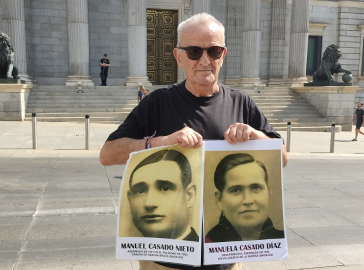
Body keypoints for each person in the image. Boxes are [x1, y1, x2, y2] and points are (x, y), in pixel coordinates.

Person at [100, 12, 288, 270]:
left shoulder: (241, 103)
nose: (204, 60)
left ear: (223, 54)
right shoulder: (157, 102)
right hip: (166, 262)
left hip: (225, 259)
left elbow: (283, 158)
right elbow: (108, 154)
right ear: (178, 56)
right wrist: (161, 142)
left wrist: (257, 137)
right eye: (194, 52)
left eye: (213, 51)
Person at [205, 153, 284, 243]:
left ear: (269, 192)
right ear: (219, 199)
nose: (248, 200)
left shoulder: (280, 242)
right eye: (236, 190)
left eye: (256, 188)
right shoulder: (207, 245)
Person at [127, 149, 198, 241]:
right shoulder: (129, 254)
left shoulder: (205, 253)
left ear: (189, 196)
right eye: (140, 191)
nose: (149, 203)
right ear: (129, 199)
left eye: (165, 188)